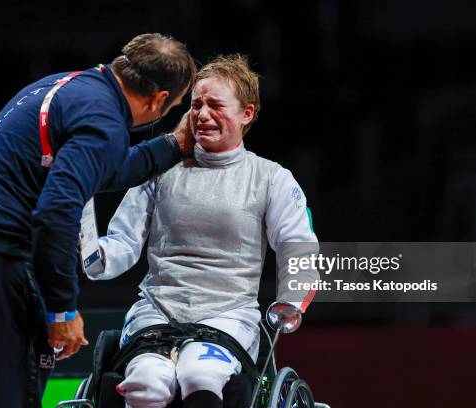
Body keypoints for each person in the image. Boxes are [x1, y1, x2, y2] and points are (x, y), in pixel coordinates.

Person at [0, 33, 196, 407]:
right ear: (160, 99)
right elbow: (55, 214)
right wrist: (62, 309)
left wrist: (169, 147)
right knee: (7, 399)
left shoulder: (67, 85)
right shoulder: (103, 122)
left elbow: (97, 169)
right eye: (176, 105)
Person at [89, 55, 319, 408]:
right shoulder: (160, 170)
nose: (202, 114)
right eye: (196, 105)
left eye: (215, 105)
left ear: (247, 114)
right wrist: (94, 253)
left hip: (229, 313)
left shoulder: (271, 178)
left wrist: (292, 300)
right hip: (157, 310)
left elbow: (297, 245)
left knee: (199, 373)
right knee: (147, 382)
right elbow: (123, 242)